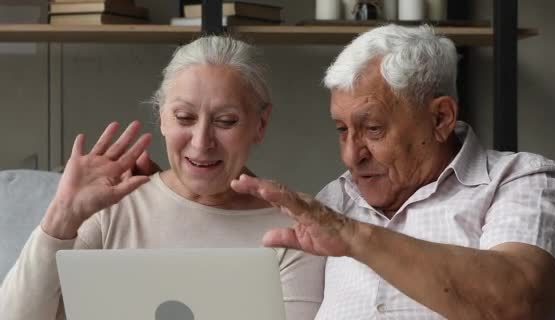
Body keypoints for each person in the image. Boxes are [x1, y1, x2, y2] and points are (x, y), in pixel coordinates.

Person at [230, 25, 555, 319]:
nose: (350, 155)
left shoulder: (524, 183)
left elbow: (516, 301)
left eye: (373, 129)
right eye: (342, 130)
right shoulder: (335, 202)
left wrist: (355, 237)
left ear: (440, 118)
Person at [0, 36, 324, 320]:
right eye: (184, 117)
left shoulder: (294, 230)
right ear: (161, 117)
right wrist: (62, 215)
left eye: (225, 121)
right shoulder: (114, 207)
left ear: (260, 124)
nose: (201, 142)